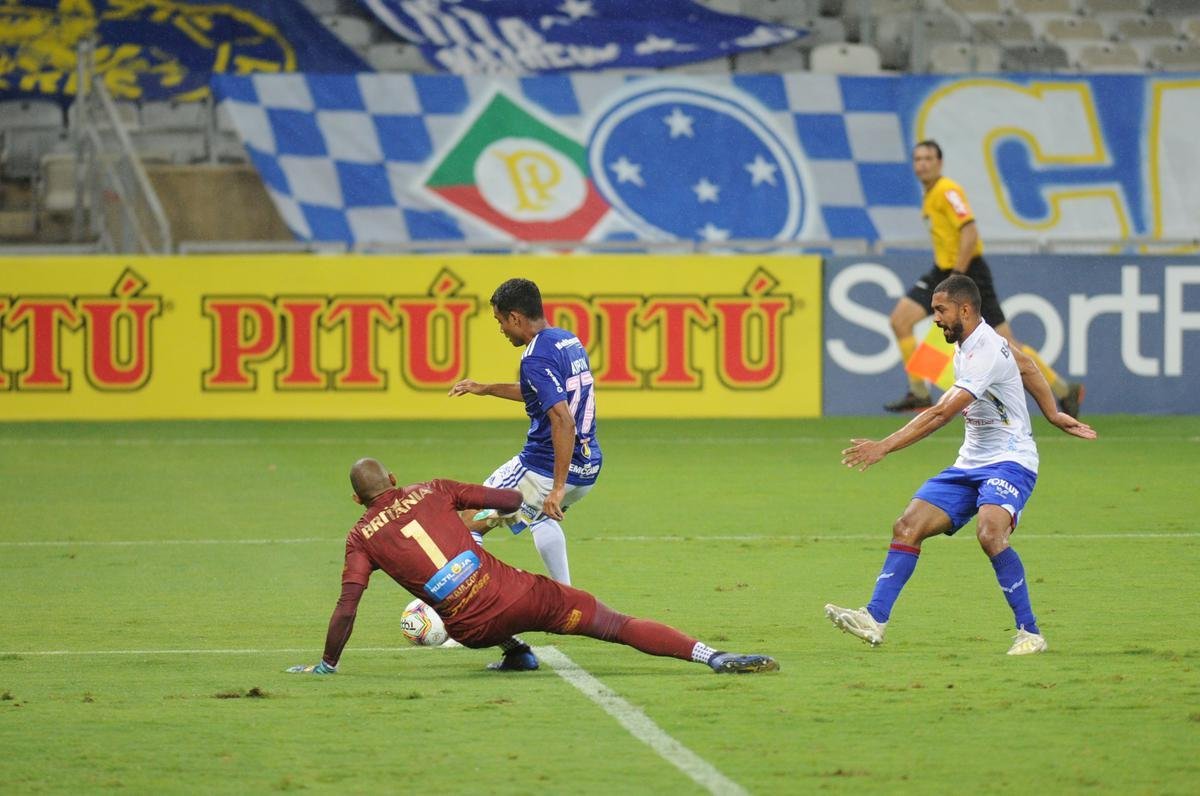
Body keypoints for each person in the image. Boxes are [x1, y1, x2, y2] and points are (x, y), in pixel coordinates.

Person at [286, 458, 778, 675]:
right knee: (614, 624)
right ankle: (712, 656)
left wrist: (327, 664)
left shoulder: (360, 537)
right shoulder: (433, 489)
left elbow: (347, 606)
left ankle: (516, 654)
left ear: (357, 499)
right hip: (523, 599)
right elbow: (508, 499)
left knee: (470, 606)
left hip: (470, 630)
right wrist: (481, 516)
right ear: (393, 478)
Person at [826, 274, 1096, 655]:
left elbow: (940, 414)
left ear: (965, 310)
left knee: (990, 532)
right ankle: (874, 618)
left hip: (1011, 460)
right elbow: (1026, 365)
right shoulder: (972, 343)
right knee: (907, 526)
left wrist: (884, 446)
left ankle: (1030, 633)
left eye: (940, 310)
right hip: (970, 463)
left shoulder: (985, 352)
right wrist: (1052, 413)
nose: (935, 318)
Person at [885, 140, 1084, 417]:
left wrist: (957, 276)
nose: (922, 164)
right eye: (918, 159)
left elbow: (970, 232)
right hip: (942, 270)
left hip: (966, 272)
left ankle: (1063, 389)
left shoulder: (947, 191)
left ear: (939, 163)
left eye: (928, 158)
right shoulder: (930, 195)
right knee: (900, 321)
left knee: (1006, 342)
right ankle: (918, 392)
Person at [447, 277, 601, 586]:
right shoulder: (567, 341)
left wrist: (557, 487)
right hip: (587, 468)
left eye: (500, 321)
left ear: (515, 317)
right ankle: (568, 597)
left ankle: (461, 604)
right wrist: (486, 388)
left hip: (543, 470)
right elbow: (541, 392)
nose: (501, 329)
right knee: (539, 516)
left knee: (468, 522)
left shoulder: (534, 357)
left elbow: (563, 420)